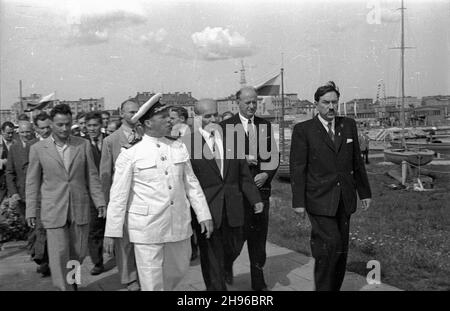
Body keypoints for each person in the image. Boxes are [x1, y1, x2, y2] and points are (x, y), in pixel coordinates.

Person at [103, 94, 213, 291]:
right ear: (148, 123)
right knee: (152, 284)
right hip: (147, 229)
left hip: (177, 224)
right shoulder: (130, 154)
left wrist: (204, 214)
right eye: (163, 117)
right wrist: (112, 232)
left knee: (178, 271)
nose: (169, 120)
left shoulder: (178, 147)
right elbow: (118, 197)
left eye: (169, 116)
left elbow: (192, 185)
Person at [290, 81, 372, 291]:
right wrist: (298, 202)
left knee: (341, 250)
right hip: (318, 199)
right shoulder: (303, 130)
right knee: (330, 245)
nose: (331, 107)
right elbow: (298, 169)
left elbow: (357, 162)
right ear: (316, 104)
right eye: (326, 102)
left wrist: (364, 192)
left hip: (344, 198)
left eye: (334, 102)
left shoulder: (348, 125)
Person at [25, 104, 106, 291]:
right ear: (52, 124)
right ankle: (65, 288)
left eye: (67, 124)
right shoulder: (38, 148)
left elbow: (92, 176)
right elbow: (32, 182)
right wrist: (30, 210)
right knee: (59, 253)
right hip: (54, 209)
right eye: (60, 124)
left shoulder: (82, 144)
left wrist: (99, 201)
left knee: (78, 252)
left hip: (79, 206)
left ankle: (72, 283)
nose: (64, 129)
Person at [186, 98, 263, 290]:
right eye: (207, 116)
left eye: (215, 115)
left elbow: (244, 175)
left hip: (233, 207)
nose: (213, 119)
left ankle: (226, 265)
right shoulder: (188, 143)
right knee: (211, 257)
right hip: (207, 210)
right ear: (197, 118)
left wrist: (255, 199)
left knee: (235, 246)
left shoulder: (232, 139)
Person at [220, 86, 279, 291]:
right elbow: (221, 161)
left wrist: (267, 174)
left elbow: (273, 157)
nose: (252, 106)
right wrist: (240, 159)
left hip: (261, 190)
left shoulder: (265, 126)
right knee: (235, 239)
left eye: (255, 102)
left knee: (258, 237)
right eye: (248, 102)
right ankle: (227, 263)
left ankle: (258, 279)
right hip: (237, 193)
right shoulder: (225, 127)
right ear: (238, 103)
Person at [99, 99, 142, 291]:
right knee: (124, 241)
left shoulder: (145, 135)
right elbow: (105, 174)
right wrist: (108, 204)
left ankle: (143, 273)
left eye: (137, 111)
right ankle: (129, 278)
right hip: (122, 198)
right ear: (121, 113)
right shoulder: (111, 141)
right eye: (131, 111)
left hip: (143, 196)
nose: (135, 115)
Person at [5, 121, 50, 276]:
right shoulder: (14, 149)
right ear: (19, 133)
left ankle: (41, 258)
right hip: (21, 195)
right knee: (30, 227)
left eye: (28, 132)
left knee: (39, 227)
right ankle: (36, 253)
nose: (26, 135)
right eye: (23, 132)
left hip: (38, 195)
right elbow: (9, 172)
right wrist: (13, 192)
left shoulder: (40, 146)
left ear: (33, 131)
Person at [84, 111, 107, 275]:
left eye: (95, 125)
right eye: (89, 125)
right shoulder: (81, 144)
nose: (92, 129)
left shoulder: (109, 141)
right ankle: (98, 262)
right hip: (91, 193)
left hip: (110, 190)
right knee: (94, 229)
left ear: (101, 125)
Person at [1, 122, 16, 207]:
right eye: (8, 133)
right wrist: (4, 162)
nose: (10, 135)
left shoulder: (16, 143)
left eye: (12, 133)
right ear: (2, 132)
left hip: (12, 181)